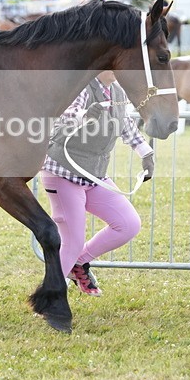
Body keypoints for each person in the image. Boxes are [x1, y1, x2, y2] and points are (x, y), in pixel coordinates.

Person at [40, 71, 154, 296]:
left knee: (128, 224)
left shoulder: (117, 91)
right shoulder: (82, 86)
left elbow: (126, 123)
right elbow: (62, 117)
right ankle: (49, 297)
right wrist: (83, 116)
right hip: (63, 172)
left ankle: (78, 263)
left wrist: (145, 152)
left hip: (94, 175)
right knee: (71, 242)